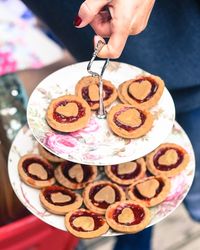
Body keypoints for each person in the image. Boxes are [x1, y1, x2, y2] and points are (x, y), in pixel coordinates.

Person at [18, 0, 200, 249]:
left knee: (194, 190)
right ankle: (134, 239)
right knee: (120, 183)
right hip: (90, 40)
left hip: (185, 54)